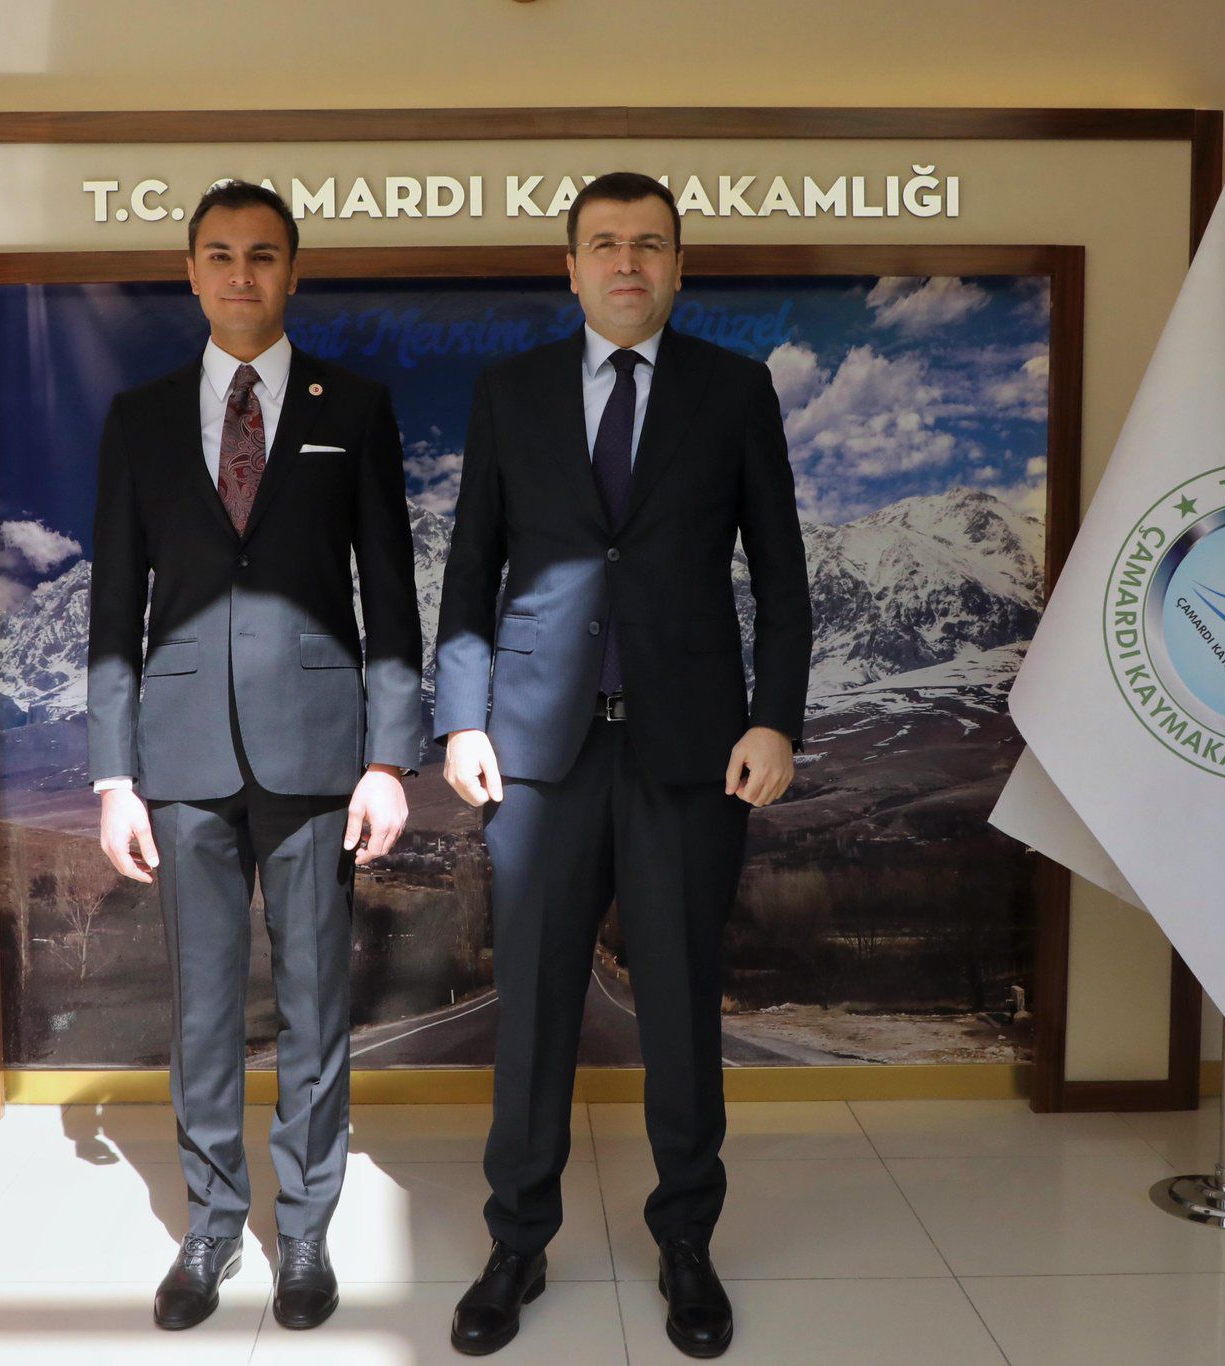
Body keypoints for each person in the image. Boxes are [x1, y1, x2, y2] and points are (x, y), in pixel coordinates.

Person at [434, 172, 812, 1358]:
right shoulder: (508, 394)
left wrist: (774, 720)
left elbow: (783, 577)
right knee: (535, 1008)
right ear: (570, 267)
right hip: (537, 756)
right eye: (603, 243)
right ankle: (515, 1242)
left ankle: (685, 1239)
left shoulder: (732, 391)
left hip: (689, 753)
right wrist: (461, 719)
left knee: (682, 1008)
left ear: (677, 266)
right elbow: (469, 572)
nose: (626, 262)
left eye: (648, 243)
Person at [86, 180, 423, 1333]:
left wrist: (388, 757)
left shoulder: (354, 407)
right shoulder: (138, 418)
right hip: (178, 759)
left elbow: (390, 594)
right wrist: (112, 775)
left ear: (293, 271)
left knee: (317, 1003)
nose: (241, 274)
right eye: (220, 255)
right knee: (201, 1011)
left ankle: (306, 1230)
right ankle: (212, 1224)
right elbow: (112, 611)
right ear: (190, 272)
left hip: (319, 756)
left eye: (263, 255)